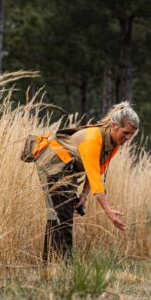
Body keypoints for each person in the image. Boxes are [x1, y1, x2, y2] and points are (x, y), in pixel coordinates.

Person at [32, 102, 139, 262]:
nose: (128, 138)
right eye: (126, 132)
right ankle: (64, 266)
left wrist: (83, 195)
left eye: (131, 134)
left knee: (60, 215)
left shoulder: (113, 144)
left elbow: (97, 170)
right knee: (62, 216)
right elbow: (95, 178)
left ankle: (50, 265)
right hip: (52, 163)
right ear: (114, 126)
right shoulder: (93, 138)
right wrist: (109, 211)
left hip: (67, 168)